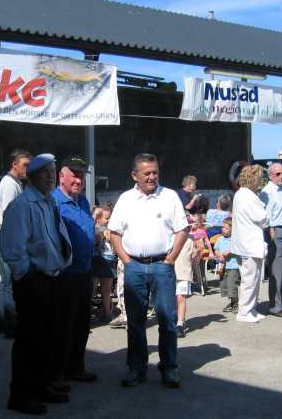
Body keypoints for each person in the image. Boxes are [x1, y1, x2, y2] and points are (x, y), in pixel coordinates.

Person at [0, 153, 73, 415]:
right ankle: (21, 395)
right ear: (31, 177)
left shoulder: (49, 201)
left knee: (47, 338)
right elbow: (12, 247)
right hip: (33, 280)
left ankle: (41, 387)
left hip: (52, 277)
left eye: (53, 171)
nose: (51, 176)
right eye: (45, 172)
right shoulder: (22, 206)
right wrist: (28, 275)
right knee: (29, 341)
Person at [109, 153, 188, 389]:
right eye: (147, 173)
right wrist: (126, 261)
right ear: (135, 175)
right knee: (135, 321)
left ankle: (169, 368)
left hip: (162, 266)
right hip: (134, 267)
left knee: (167, 319)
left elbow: (182, 230)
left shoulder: (170, 197)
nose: (152, 177)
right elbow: (114, 233)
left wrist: (170, 258)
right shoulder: (125, 199)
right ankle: (136, 368)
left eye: (155, 172)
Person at [50, 156, 97, 390]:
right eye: (74, 175)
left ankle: (76, 367)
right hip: (64, 275)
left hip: (84, 272)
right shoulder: (54, 202)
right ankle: (57, 373)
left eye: (81, 176)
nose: (79, 180)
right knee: (62, 325)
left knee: (81, 324)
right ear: (61, 176)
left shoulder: (84, 202)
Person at [0, 149, 32, 338]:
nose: (27, 169)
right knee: (10, 281)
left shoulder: (15, 183)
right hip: (7, 232)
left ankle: (1, 322)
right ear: (14, 165)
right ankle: (10, 326)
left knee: (6, 280)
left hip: (5, 232)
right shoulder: (10, 184)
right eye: (25, 165)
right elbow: (10, 214)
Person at [230, 164, 269, 324]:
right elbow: (262, 218)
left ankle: (251, 309)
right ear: (253, 179)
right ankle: (244, 311)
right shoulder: (248, 196)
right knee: (250, 279)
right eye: (259, 178)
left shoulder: (241, 194)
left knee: (253, 278)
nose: (261, 181)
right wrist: (267, 213)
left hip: (245, 243)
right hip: (249, 244)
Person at [260, 163, 282, 318]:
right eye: (278, 174)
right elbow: (265, 215)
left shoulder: (281, 191)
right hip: (276, 232)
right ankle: (275, 306)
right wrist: (271, 232)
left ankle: (281, 303)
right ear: (270, 176)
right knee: (277, 269)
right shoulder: (267, 192)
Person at [92, 206, 116, 322]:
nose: (109, 220)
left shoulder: (111, 229)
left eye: (110, 218)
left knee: (106, 289)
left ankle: (107, 313)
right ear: (98, 219)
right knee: (92, 288)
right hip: (98, 260)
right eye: (106, 218)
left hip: (109, 259)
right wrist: (100, 236)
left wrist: (112, 238)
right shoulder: (95, 228)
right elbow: (92, 243)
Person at [214, 218, 240, 313]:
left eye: (226, 228)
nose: (223, 229)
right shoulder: (220, 239)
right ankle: (232, 302)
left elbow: (237, 248)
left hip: (233, 266)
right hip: (223, 266)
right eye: (223, 227)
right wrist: (218, 254)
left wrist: (228, 252)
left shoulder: (234, 239)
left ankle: (236, 303)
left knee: (232, 285)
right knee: (225, 286)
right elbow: (216, 249)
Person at [174, 235, 195, 338]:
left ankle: (180, 324)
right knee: (170, 300)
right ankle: (173, 320)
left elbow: (194, 258)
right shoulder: (168, 235)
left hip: (183, 273)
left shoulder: (190, 240)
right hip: (167, 273)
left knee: (180, 298)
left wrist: (198, 251)